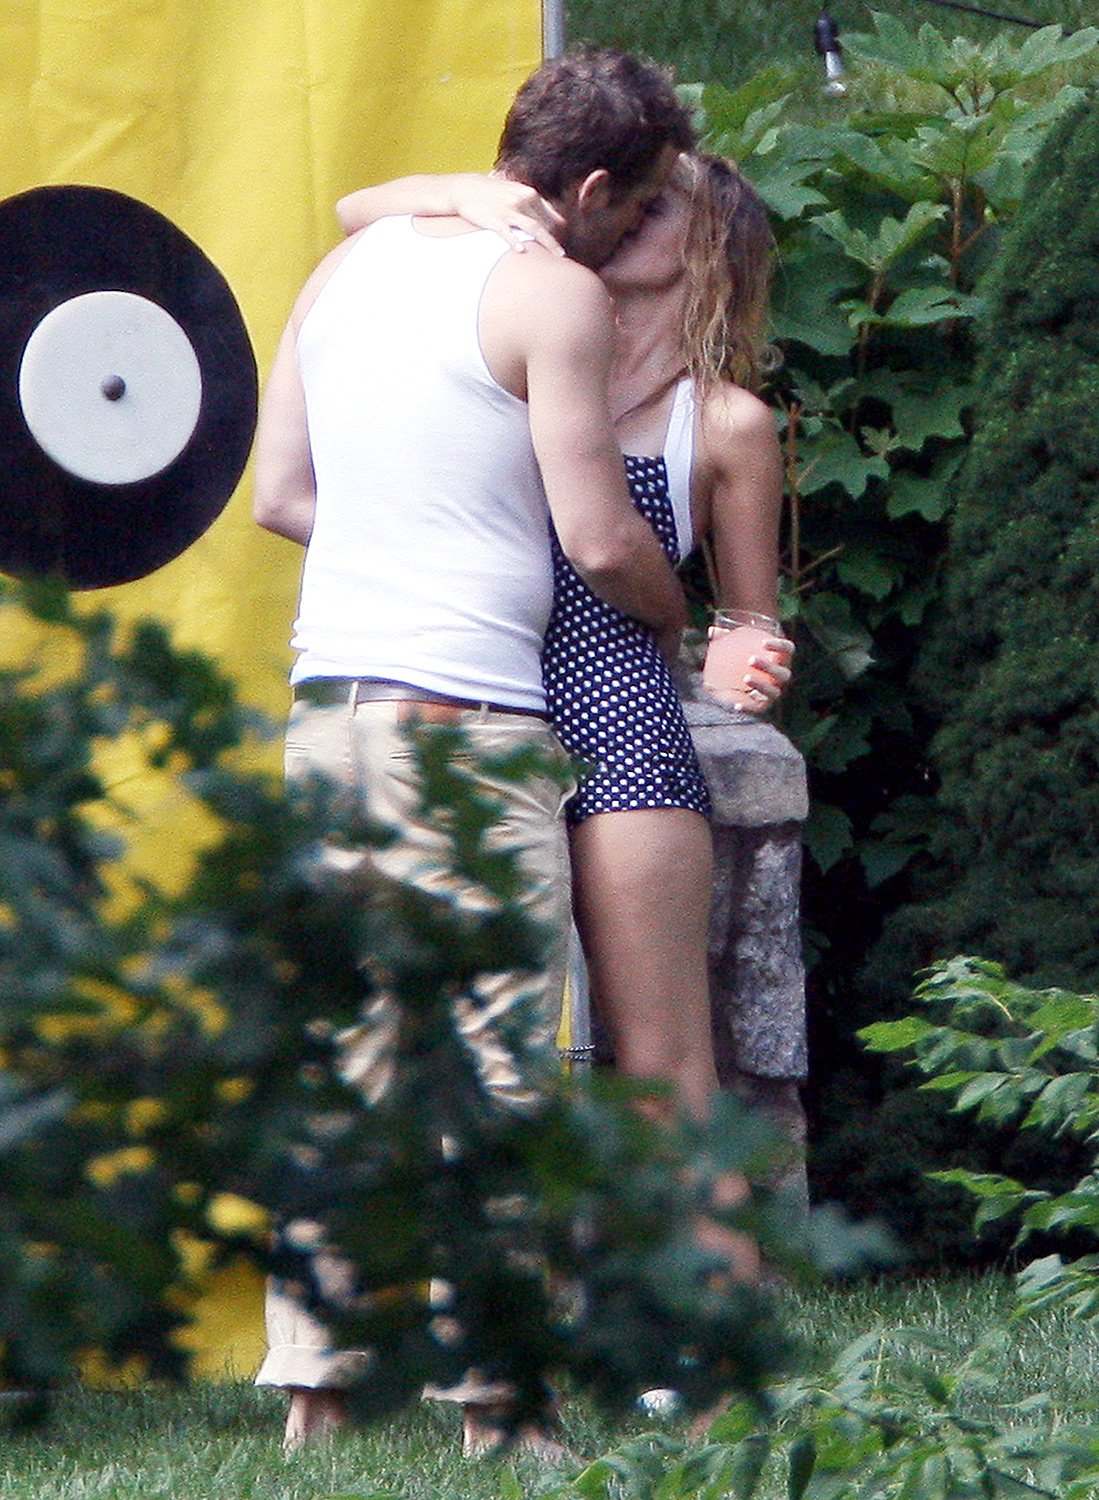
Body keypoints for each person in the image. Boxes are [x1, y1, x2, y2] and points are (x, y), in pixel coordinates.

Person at [250, 47, 696, 1454]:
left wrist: (409, 541)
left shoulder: (349, 270)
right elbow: (600, 537)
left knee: (345, 1067)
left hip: (330, 717)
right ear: (596, 187)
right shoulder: (549, 291)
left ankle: (314, 1400)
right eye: (644, 208)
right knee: (501, 1080)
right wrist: (681, 617)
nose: (642, 237)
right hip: (468, 727)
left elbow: (279, 496)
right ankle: (503, 1413)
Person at [338, 154, 792, 1279]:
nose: (630, 206)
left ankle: (714, 1341)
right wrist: (461, 189)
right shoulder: (521, 343)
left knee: (664, 1067)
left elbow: (748, 621)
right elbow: (353, 208)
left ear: (707, 246)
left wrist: (745, 658)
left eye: (662, 200)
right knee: (456, 1050)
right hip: (480, 701)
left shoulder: (724, 422)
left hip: (624, 729)